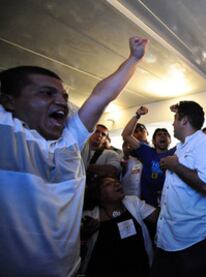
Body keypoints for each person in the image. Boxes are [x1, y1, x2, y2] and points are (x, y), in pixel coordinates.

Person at [0, 36, 148, 276]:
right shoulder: (7, 132)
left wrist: (133, 58)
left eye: (64, 96)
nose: (60, 101)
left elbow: (102, 95)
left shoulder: (68, 142)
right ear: (9, 101)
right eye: (47, 93)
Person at [150, 101, 206, 277]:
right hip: (168, 238)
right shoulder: (180, 148)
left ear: (184, 121)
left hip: (194, 239)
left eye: (175, 118)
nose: (172, 123)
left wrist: (175, 166)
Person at [80, 176, 158, 276]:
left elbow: (159, 218)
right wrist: (85, 233)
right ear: (99, 195)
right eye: (108, 184)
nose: (117, 184)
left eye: (116, 182)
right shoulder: (88, 216)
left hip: (140, 271)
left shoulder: (133, 202)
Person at [122, 106, 176, 207]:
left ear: (170, 140)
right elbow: (126, 135)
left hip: (170, 203)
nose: (163, 136)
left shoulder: (176, 151)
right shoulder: (146, 151)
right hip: (147, 205)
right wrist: (137, 115)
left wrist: (179, 113)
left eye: (165, 134)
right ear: (154, 141)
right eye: (159, 134)